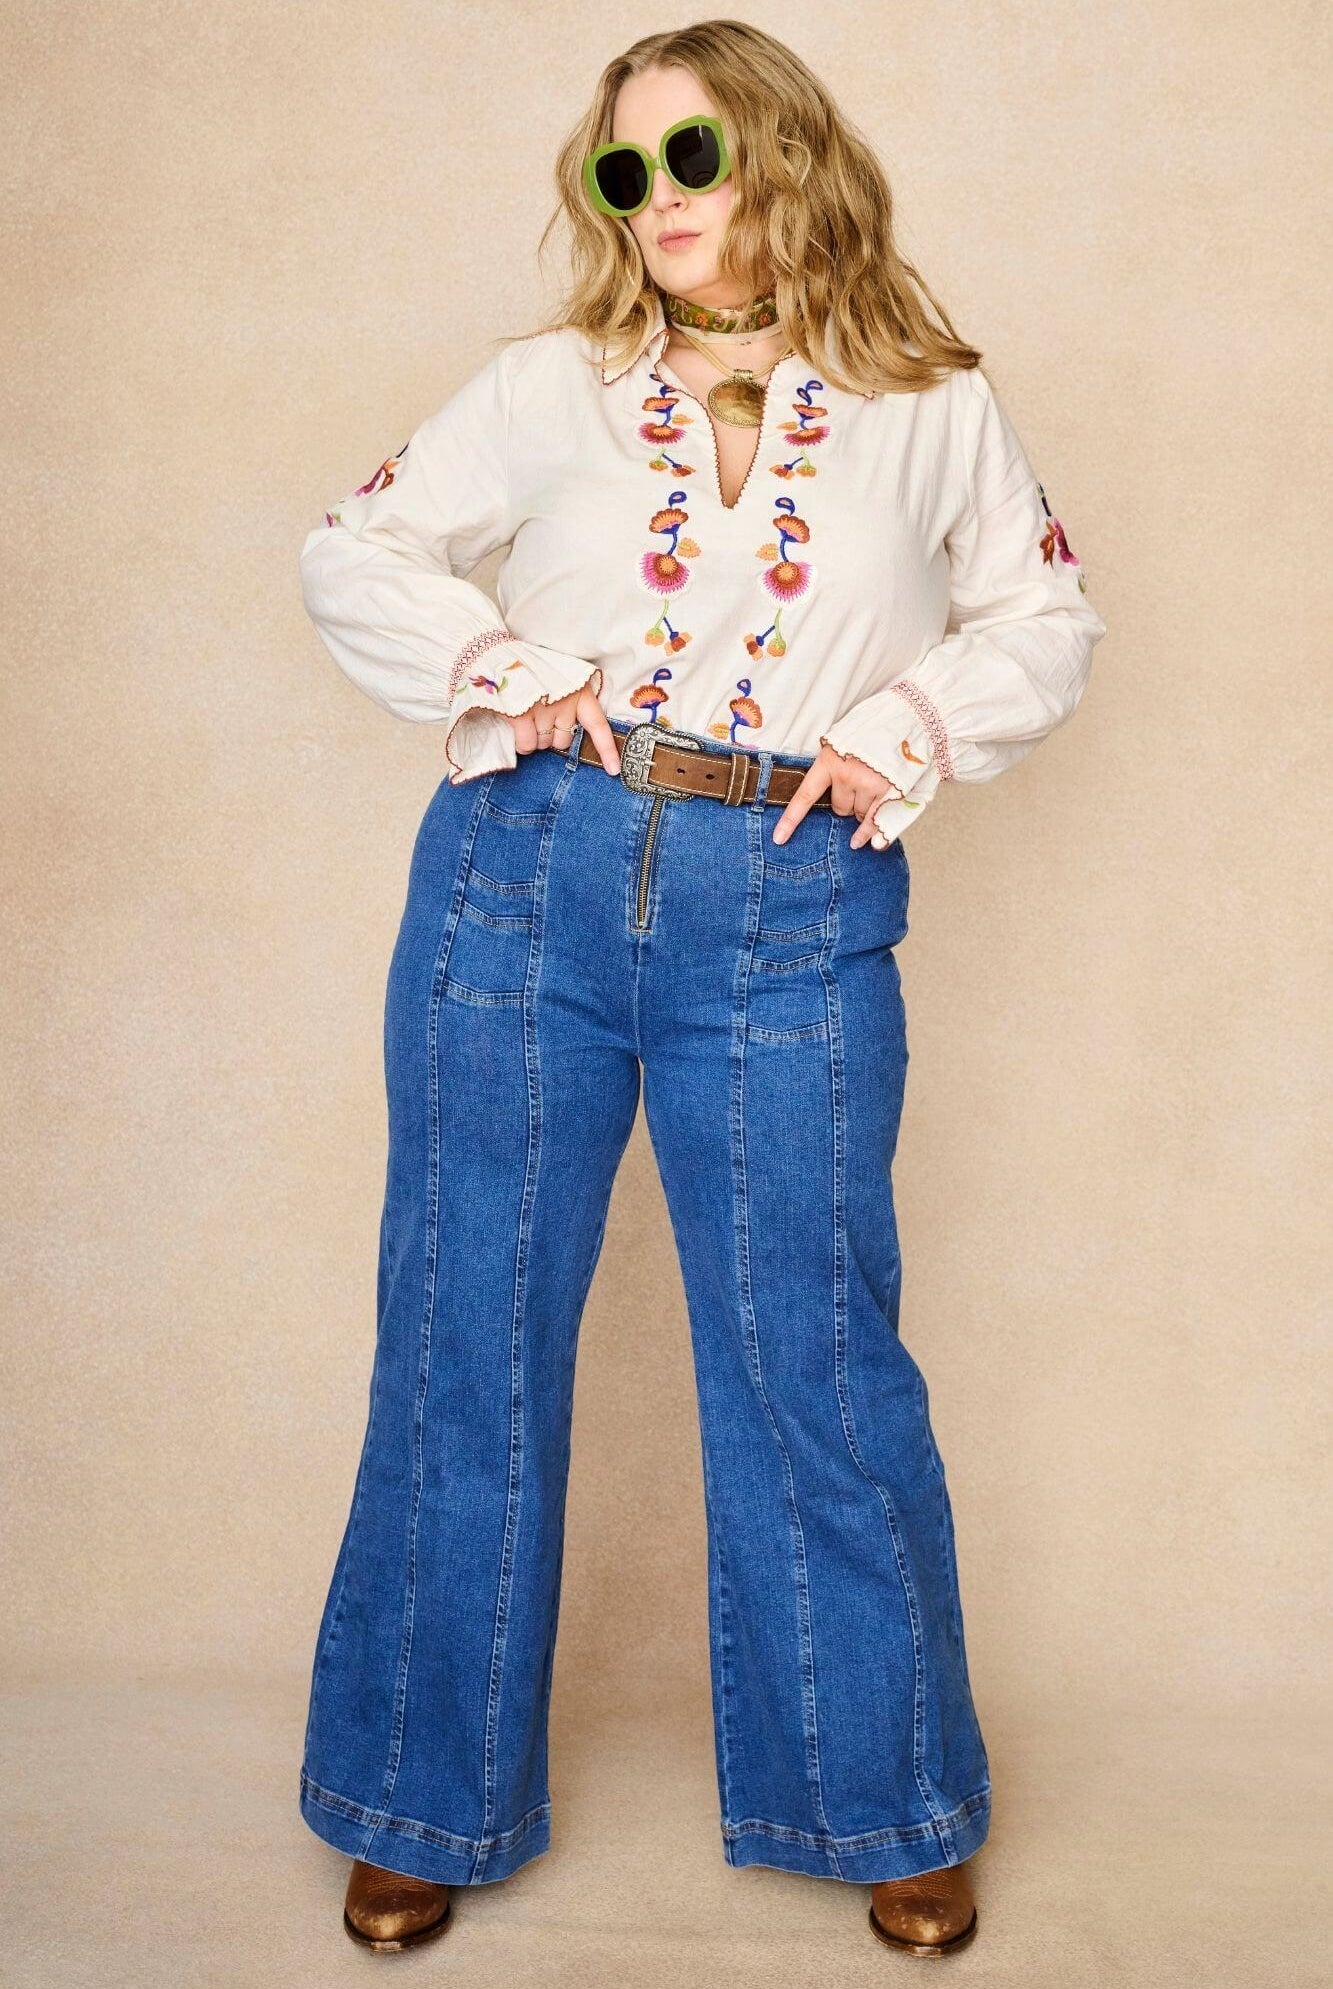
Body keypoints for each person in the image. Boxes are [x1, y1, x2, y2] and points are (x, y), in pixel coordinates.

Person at [295, 20, 1106, 1959]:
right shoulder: (542, 387)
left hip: (790, 900)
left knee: (814, 1359)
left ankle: (883, 1791)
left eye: (691, 159)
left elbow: (1044, 611)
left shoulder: (928, 400)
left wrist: (908, 720)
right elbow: (355, 549)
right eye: (619, 172)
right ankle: (419, 1791)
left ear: (784, 160)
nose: (654, 204)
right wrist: (506, 665)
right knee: (462, 1335)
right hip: (521, 885)